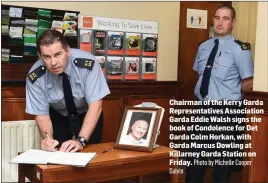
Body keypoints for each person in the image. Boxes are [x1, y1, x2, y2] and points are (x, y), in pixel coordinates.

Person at [186, 5, 254, 183]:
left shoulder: (240, 50)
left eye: (225, 18)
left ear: (233, 22)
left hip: (225, 111)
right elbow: (200, 75)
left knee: (222, 163)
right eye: (217, 18)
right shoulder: (203, 46)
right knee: (194, 157)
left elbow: (248, 83)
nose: (220, 22)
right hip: (202, 109)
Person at [25, 30, 110, 153]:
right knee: (57, 153)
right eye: (47, 57)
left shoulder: (88, 64)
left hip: (87, 113)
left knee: (91, 154)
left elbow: (95, 106)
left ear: (67, 51)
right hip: (59, 115)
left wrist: (81, 140)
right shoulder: (35, 76)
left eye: (58, 54)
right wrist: (48, 139)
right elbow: (41, 114)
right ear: (40, 56)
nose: (53, 63)